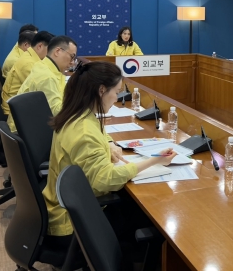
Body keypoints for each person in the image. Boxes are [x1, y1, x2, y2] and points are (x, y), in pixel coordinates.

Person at [42, 61, 177, 241]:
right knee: (155, 217)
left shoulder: (76, 114)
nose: (116, 98)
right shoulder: (84, 132)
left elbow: (99, 135)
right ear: (102, 90)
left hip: (70, 204)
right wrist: (154, 160)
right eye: (116, 92)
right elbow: (105, 180)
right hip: (73, 223)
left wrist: (110, 145)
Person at [17, 35, 78, 119]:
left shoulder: (45, 66)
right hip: (29, 124)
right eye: (72, 57)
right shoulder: (47, 76)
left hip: (32, 120)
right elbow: (57, 112)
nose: (72, 62)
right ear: (57, 51)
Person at [1, 31, 54, 125]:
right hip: (13, 111)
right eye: (49, 49)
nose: (50, 54)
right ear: (40, 46)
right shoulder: (29, 63)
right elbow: (42, 91)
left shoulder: (29, 56)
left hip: (17, 103)